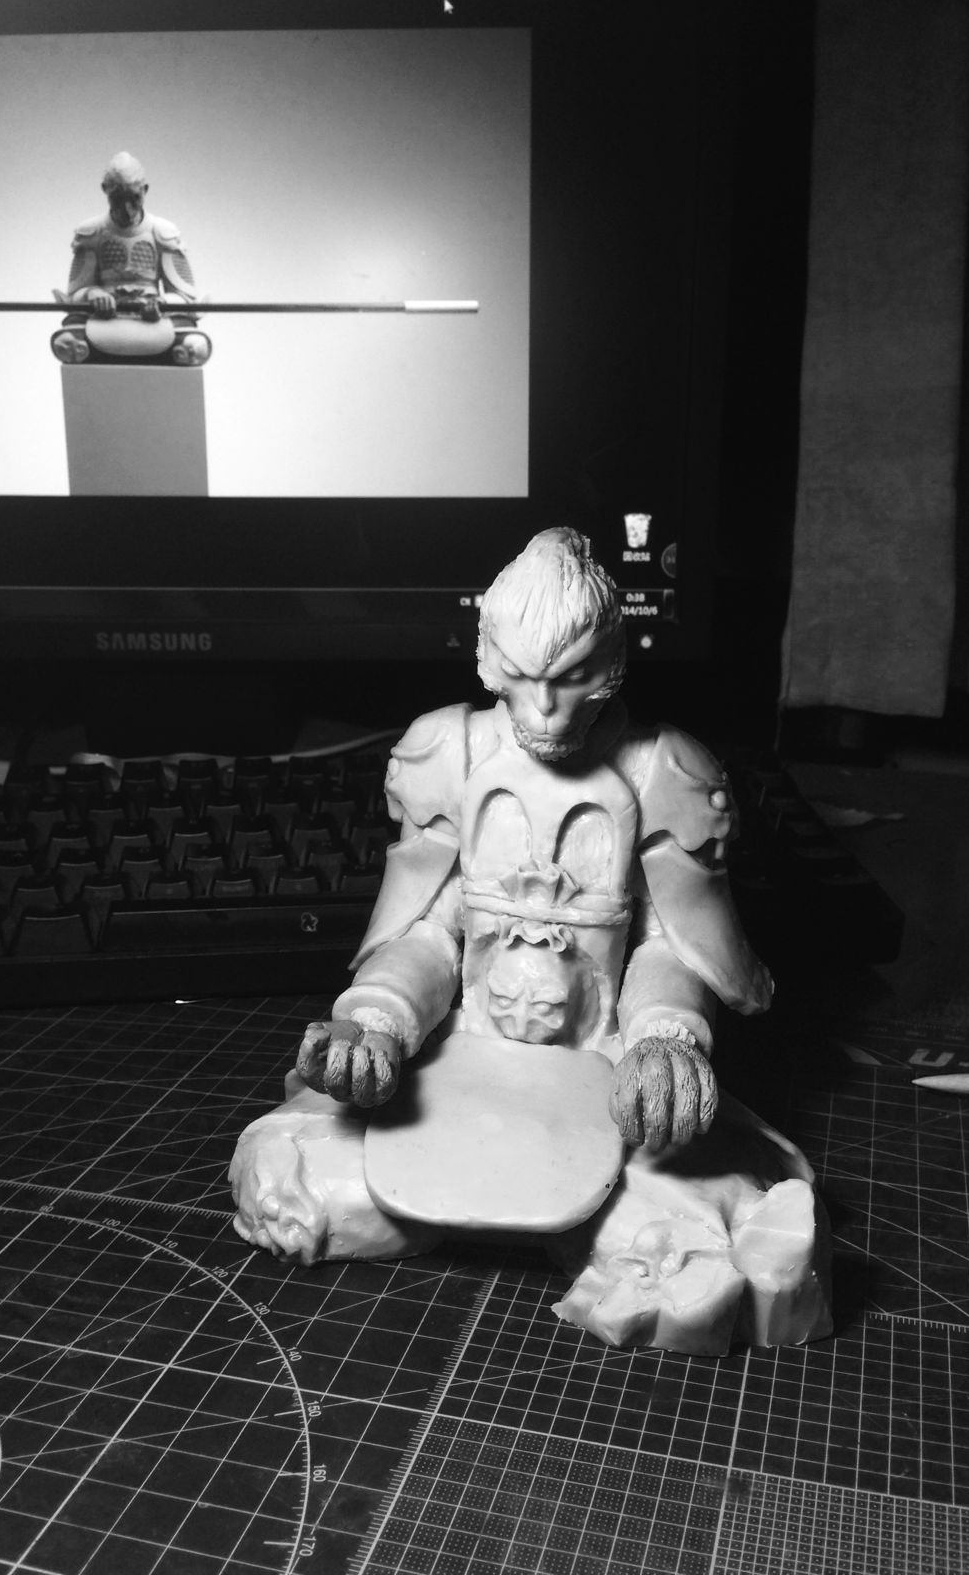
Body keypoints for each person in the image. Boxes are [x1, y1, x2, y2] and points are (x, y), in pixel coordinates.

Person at [230, 528, 831, 1352]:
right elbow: (430, 928)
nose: (546, 710)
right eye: (524, 678)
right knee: (297, 1179)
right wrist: (376, 1021)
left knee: (682, 1247)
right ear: (487, 661)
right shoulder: (448, 753)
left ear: (613, 662)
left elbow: (671, 943)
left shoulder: (665, 772)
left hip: (603, 1065)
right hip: (465, 1053)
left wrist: (665, 1040)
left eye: (572, 678)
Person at [51, 152, 209, 365]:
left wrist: (161, 303)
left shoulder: (163, 232)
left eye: (134, 198)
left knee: (194, 345)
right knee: (67, 340)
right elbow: (75, 294)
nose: (127, 209)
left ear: (145, 190)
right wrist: (93, 294)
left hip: (152, 318)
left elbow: (184, 296)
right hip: (104, 319)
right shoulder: (91, 232)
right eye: (118, 199)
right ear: (105, 190)